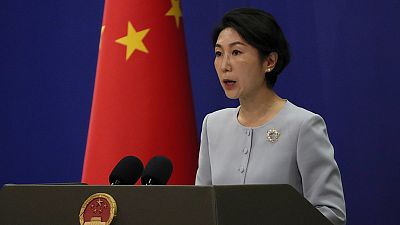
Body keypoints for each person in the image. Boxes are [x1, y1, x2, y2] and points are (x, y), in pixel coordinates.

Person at [195, 8, 346, 225]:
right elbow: (203, 208)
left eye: (236, 52)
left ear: (269, 62)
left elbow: (332, 214)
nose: (224, 65)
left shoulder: (303, 125)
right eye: (219, 53)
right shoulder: (213, 125)